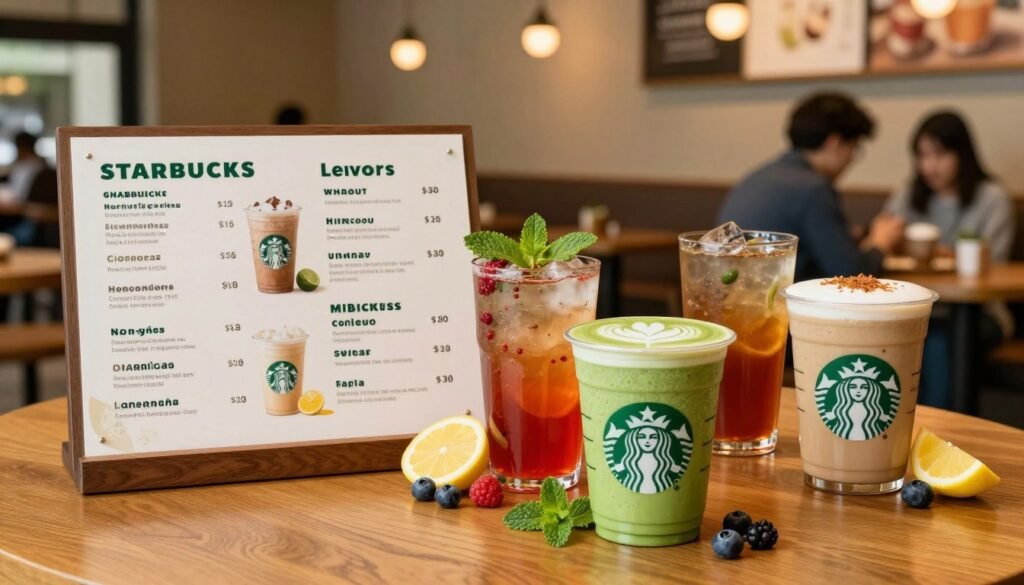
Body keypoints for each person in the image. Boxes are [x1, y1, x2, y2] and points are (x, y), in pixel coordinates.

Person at [885, 110, 1016, 407]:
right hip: (916, 309)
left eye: (940, 154)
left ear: (962, 154)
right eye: (922, 155)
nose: (930, 166)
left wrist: (942, 254)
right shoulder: (909, 196)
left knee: (938, 340)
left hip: (981, 314)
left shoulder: (991, 198)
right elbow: (884, 241)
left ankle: (938, 434)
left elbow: (994, 264)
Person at [717, 92, 904, 281]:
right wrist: (881, 243)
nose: (851, 159)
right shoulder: (813, 189)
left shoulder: (758, 176)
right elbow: (851, 273)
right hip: (775, 303)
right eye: (854, 148)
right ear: (835, 143)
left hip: (731, 294)